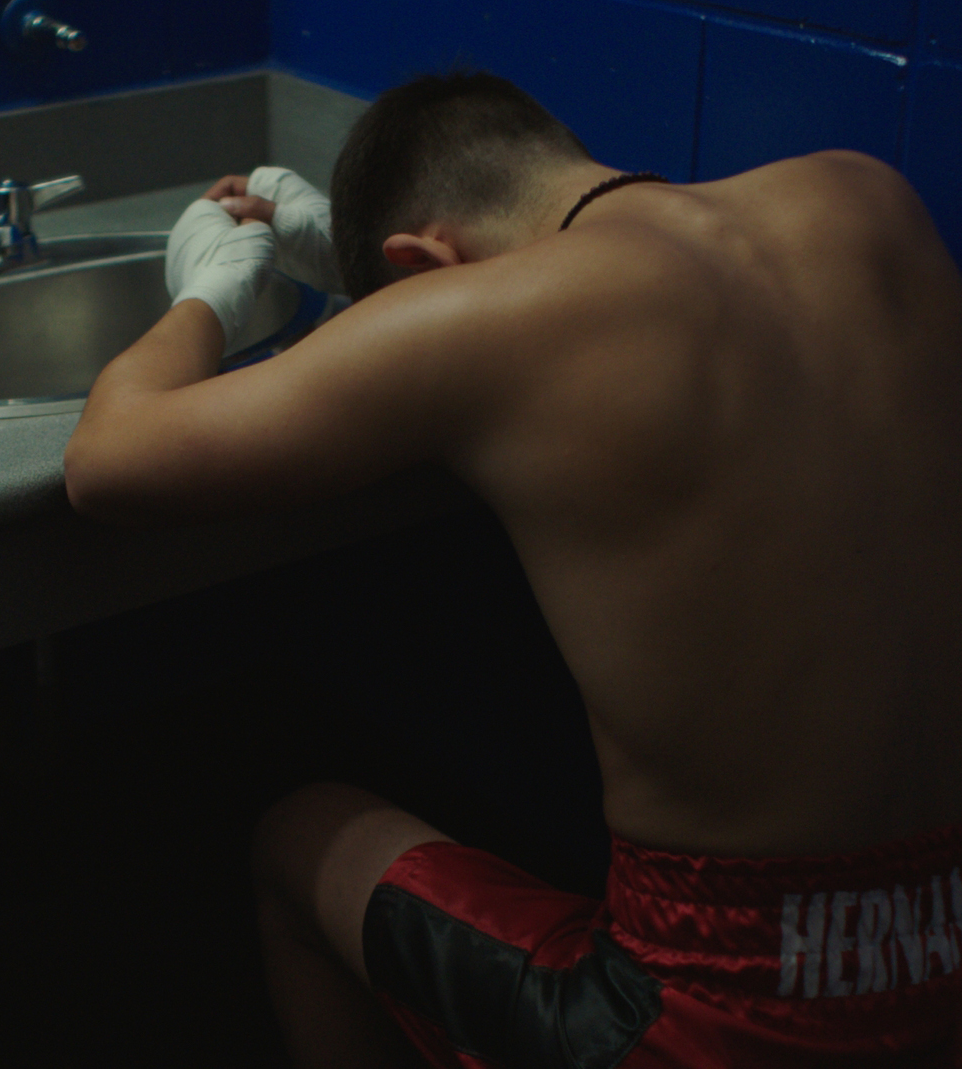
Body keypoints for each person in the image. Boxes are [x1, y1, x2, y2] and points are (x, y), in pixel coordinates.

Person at [63, 72, 962, 1066]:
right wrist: (372, 277)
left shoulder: (498, 317)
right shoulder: (869, 200)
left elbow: (106, 461)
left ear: (426, 266)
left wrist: (211, 290)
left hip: (719, 1017)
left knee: (297, 838)